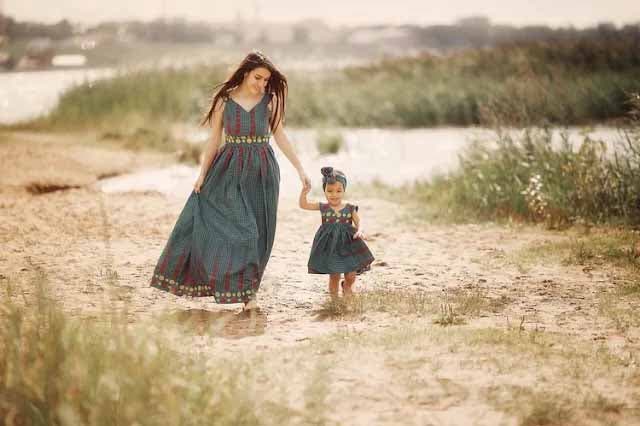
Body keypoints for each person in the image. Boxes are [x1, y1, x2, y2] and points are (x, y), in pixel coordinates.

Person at [150, 51, 311, 310]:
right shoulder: (224, 101)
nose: (262, 84)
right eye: (257, 77)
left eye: (266, 80)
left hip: (263, 171)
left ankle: (249, 294)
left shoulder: (269, 102)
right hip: (229, 169)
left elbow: (280, 136)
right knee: (242, 231)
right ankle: (230, 283)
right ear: (245, 72)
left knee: (260, 234)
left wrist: (301, 170)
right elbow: (214, 140)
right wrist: (202, 174)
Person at [299, 166, 374, 297]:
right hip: (331, 246)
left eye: (339, 191)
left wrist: (360, 230)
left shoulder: (350, 208)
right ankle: (334, 300)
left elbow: (359, 221)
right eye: (330, 191)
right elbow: (304, 205)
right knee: (334, 275)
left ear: (344, 190)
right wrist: (304, 192)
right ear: (324, 191)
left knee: (351, 274)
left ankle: (347, 286)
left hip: (349, 244)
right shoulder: (323, 207)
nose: (334, 194)